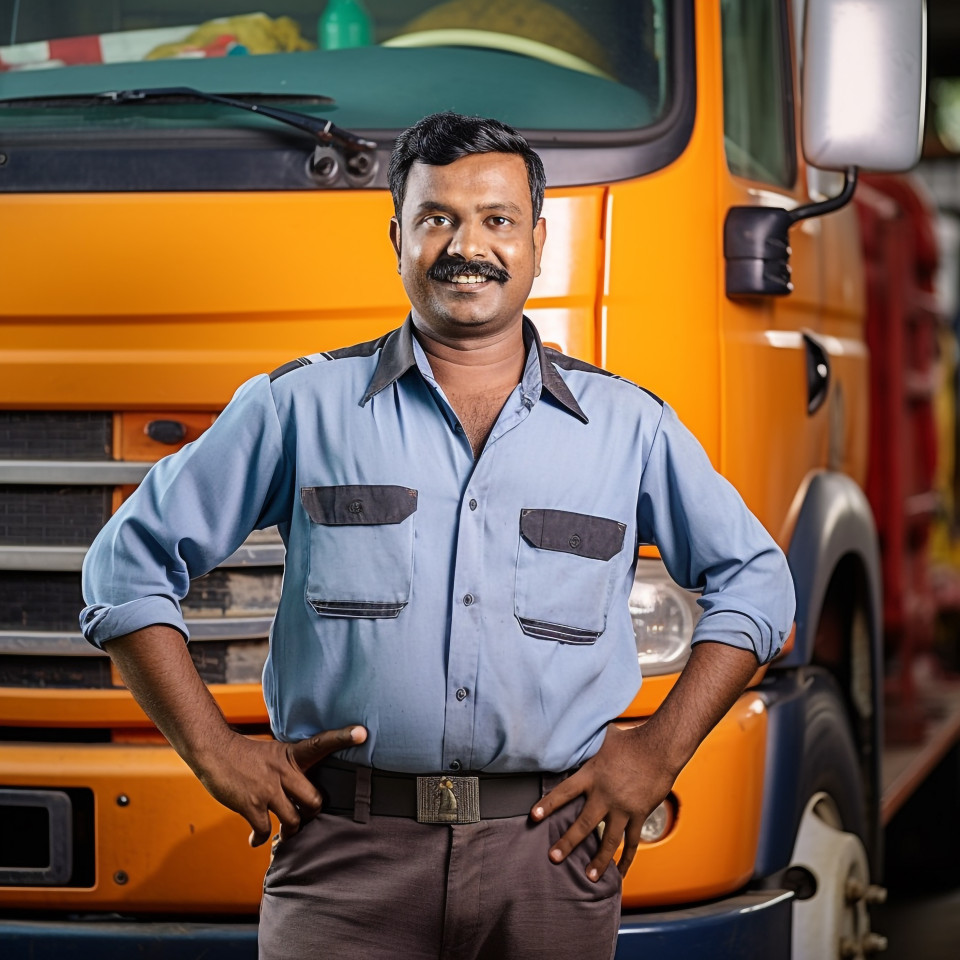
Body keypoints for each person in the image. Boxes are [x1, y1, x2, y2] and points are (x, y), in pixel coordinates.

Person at [81, 112, 795, 960]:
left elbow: (758, 582)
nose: (468, 246)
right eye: (437, 219)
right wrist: (213, 752)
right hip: (347, 857)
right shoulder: (298, 408)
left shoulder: (629, 427)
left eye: (496, 220)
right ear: (397, 237)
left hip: (553, 858)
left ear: (536, 237)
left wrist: (657, 754)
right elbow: (122, 568)